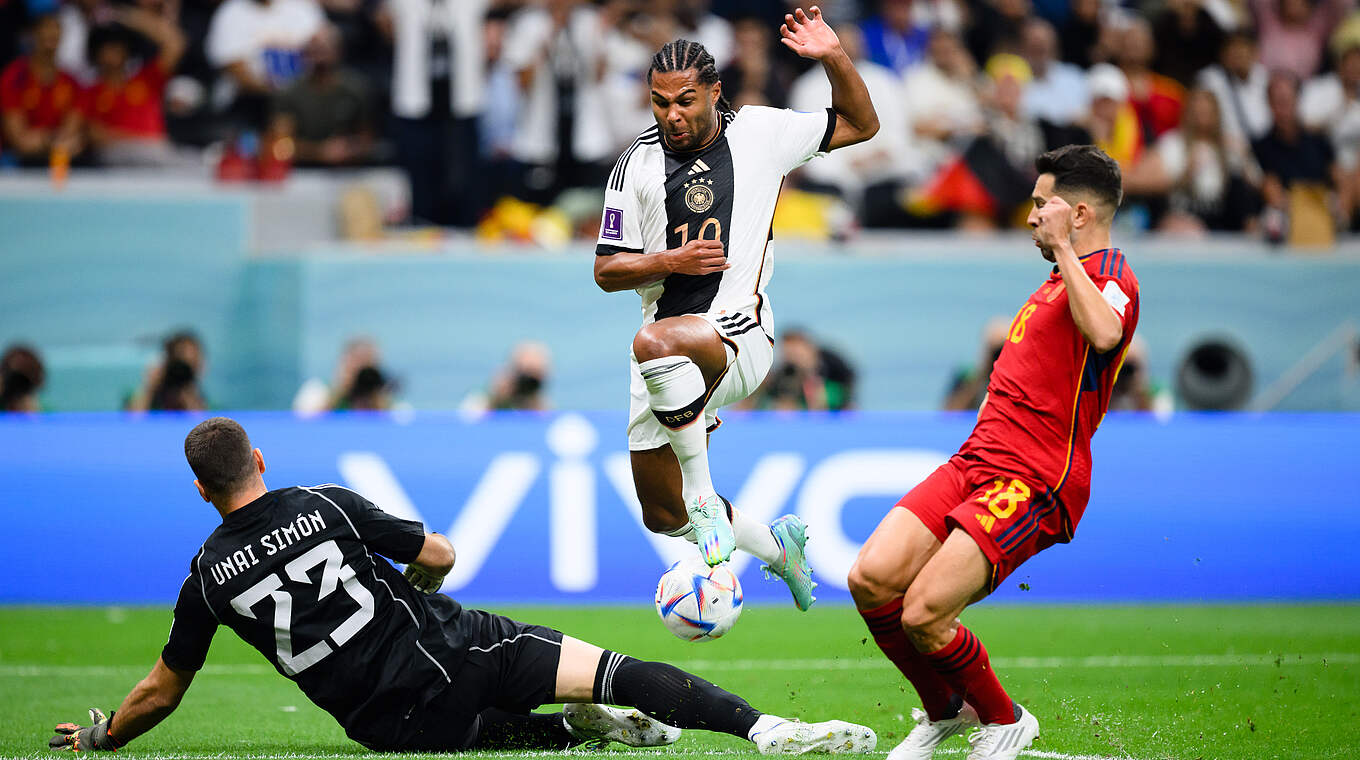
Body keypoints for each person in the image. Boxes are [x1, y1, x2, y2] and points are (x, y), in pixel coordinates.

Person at [46, 417, 877, 755]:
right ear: (258, 460)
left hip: (385, 723)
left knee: (475, 732)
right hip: (444, 645)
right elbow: (438, 555)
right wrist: (412, 582)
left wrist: (100, 738)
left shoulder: (206, 581)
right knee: (611, 668)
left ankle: (578, 735)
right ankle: (765, 731)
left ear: (201, 492)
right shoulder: (322, 502)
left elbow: (162, 689)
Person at [847, 145, 1139, 760]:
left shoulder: (1112, 275)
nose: (1031, 216)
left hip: (1033, 479)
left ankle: (1004, 722)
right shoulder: (1056, 283)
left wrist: (1064, 250)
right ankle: (946, 711)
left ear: (1078, 213)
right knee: (870, 578)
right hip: (975, 461)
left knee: (925, 613)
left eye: (1042, 204)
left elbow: (1108, 334)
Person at [591, 6, 878, 610]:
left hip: (739, 335)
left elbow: (862, 122)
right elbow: (607, 270)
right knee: (661, 515)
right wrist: (671, 261)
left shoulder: (760, 132)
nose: (672, 114)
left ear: (715, 93)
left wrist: (832, 55)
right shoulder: (634, 164)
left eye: (686, 100)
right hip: (665, 355)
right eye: (660, 102)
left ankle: (704, 492)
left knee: (652, 345)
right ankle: (780, 551)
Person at [0, 13, 85, 166]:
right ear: (32, 35)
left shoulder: (71, 82)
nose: (51, 33)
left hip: (61, 160)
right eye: (45, 28)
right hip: (17, 164)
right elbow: (19, 141)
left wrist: (51, 141)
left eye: (56, 29)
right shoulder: (14, 77)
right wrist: (52, 140)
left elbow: (72, 133)